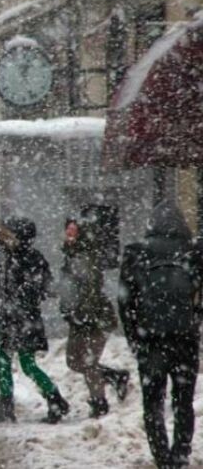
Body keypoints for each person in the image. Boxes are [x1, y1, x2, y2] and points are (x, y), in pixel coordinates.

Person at [118, 200, 203, 468]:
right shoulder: (194, 253)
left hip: (151, 339)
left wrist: (135, 337)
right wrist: (194, 322)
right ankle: (181, 454)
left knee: (153, 402)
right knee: (183, 401)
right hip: (184, 339)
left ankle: (162, 456)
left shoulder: (137, 254)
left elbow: (124, 302)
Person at [0, 217, 70, 423]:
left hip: (19, 318)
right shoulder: (21, 257)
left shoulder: (23, 259)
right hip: (22, 318)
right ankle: (52, 400)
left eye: (9, 234)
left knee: (15, 362)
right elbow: (46, 287)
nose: (4, 238)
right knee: (14, 362)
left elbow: (41, 288)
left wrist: (17, 298)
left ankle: (48, 401)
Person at [60, 215, 130, 418]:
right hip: (79, 317)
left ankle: (100, 404)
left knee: (88, 362)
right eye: (68, 229)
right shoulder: (72, 254)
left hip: (93, 318)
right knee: (74, 361)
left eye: (73, 230)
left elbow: (89, 290)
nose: (69, 233)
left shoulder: (85, 256)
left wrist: (82, 315)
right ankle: (115, 376)